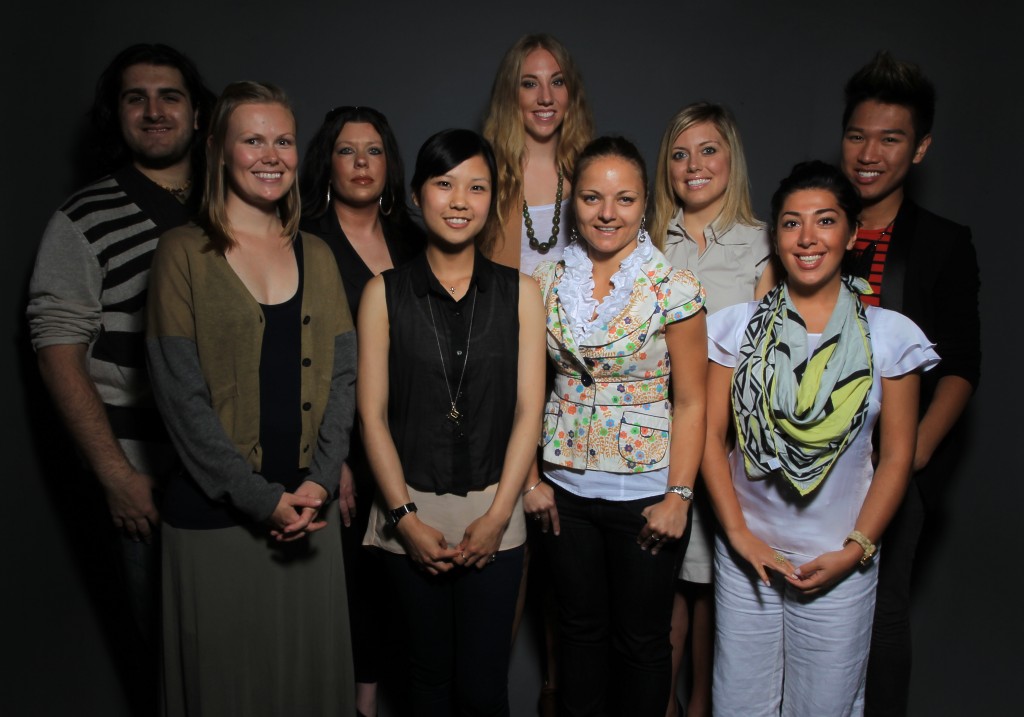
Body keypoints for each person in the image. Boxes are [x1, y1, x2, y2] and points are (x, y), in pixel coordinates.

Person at [145, 81, 356, 716]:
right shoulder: (181, 253)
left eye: (284, 140)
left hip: (310, 517)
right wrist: (262, 500)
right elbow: (182, 402)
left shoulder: (316, 254)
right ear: (219, 151)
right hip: (216, 521)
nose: (272, 155)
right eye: (254, 139)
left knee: (308, 691)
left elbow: (343, 380)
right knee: (226, 693)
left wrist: (319, 482)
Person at [703, 161, 938, 716]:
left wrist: (856, 549)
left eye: (825, 221)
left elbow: (898, 456)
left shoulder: (891, 336)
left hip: (839, 558)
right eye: (790, 223)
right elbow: (711, 440)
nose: (807, 238)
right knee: (738, 706)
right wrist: (739, 537)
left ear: (852, 234)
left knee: (826, 708)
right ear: (775, 237)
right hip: (747, 556)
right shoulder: (735, 326)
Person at [26, 42, 213, 709]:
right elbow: (57, 350)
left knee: (241, 661)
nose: (154, 111)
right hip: (148, 483)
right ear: (118, 114)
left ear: (197, 115)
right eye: (137, 97)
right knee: (171, 667)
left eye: (170, 96)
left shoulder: (236, 207)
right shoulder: (83, 219)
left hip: (243, 482)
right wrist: (116, 476)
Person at [359, 128, 546, 716]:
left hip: (497, 510)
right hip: (408, 507)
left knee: (484, 687)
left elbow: (528, 412)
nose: (460, 200)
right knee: (426, 683)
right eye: (444, 184)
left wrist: (497, 517)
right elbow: (372, 415)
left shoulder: (523, 294)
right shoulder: (382, 293)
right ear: (417, 195)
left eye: (477, 186)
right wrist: (405, 522)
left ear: (493, 200)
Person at [532, 136, 708, 716]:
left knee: (640, 642)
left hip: (645, 495)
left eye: (625, 199)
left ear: (643, 206)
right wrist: (535, 479)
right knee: (577, 636)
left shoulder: (673, 289)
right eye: (591, 197)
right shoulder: (546, 283)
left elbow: (691, 401)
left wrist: (679, 496)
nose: (607, 213)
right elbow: (527, 391)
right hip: (564, 494)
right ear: (572, 204)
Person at [838, 51, 982, 717]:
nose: (870, 153)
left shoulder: (943, 244)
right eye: (858, 134)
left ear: (919, 148)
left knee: (881, 619)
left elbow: (961, 363)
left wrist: (911, 452)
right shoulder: (808, 223)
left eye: (891, 138)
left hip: (891, 465)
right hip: (802, 469)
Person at [298, 104, 424, 717]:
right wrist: (333, 460)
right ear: (328, 161)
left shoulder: (414, 237)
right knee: (355, 585)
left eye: (373, 150)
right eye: (347, 150)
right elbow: (307, 360)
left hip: (411, 437)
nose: (361, 163)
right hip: (343, 442)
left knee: (407, 583)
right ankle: (358, 706)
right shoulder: (305, 238)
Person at [650, 101, 773, 717]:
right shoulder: (647, 243)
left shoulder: (760, 246)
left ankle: (703, 704)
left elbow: (764, 355)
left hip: (726, 442)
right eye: (679, 153)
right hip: (654, 439)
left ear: (731, 159)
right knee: (664, 583)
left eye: (707, 150)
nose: (693, 165)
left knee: (715, 586)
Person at [483, 33, 594, 276]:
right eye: (530, 84)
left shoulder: (591, 171)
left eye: (557, 82)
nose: (546, 98)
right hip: (504, 313)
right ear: (510, 93)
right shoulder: (485, 174)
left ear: (571, 92)